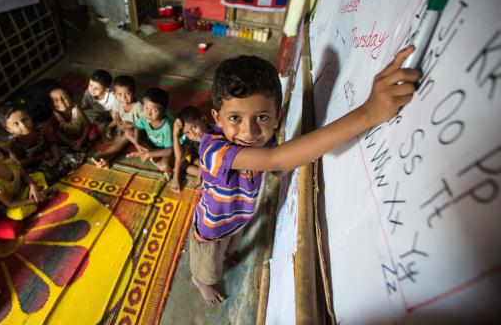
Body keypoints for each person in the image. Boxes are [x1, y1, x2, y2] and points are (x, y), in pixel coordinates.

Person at [190, 48, 419, 305]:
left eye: (262, 117)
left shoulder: (258, 138)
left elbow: (279, 165)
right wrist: (369, 112)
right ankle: (200, 281)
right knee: (209, 268)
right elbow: (277, 161)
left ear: (277, 116)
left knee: (231, 247)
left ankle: (221, 257)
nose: (250, 131)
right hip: (211, 229)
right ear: (217, 118)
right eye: (235, 118)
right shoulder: (214, 150)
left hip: (238, 217)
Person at [0, 102, 85, 185]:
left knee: (72, 156)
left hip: (50, 155)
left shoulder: (39, 127)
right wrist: (38, 158)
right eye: (16, 124)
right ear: (9, 130)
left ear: (30, 117)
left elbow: (52, 143)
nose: (23, 125)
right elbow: (16, 164)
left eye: (24, 119)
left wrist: (56, 156)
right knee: (45, 177)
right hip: (35, 166)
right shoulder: (12, 143)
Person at [91, 75, 143, 168]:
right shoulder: (117, 101)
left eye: (127, 94)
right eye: (119, 94)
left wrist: (131, 126)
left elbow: (145, 125)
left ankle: (103, 155)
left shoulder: (139, 107)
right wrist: (115, 124)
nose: (123, 97)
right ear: (114, 93)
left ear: (134, 92)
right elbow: (117, 114)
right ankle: (106, 161)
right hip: (123, 129)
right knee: (117, 141)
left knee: (123, 137)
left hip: (137, 132)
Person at [126, 87, 174, 180]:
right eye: (146, 108)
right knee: (128, 132)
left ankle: (148, 155)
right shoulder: (145, 117)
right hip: (151, 145)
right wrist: (137, 143)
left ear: (164, 111)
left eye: (154, 110)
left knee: (164, 166)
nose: (148, 113)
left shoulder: (167, 126)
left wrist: (149, 155)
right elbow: (137, 127)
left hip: (164, 150)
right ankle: (147, 153)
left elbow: (169, 151)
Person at [170, 106, 210, 193]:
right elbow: (179, 156)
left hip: (211, 161)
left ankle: (207, 178)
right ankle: (205, 175)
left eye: (194, 127)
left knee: (209, 168)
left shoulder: (211, 137)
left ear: (203, 120)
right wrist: (175, 133)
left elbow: (205, 161)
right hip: (199, 158)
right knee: (180, 162)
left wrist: (199, 180)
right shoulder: (188, 137)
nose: (193, 134)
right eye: (187, 132)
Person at [81, 69, 115, 136]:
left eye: (96, 88)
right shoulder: (87, 93)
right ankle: (103, 124)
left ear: (106, 90)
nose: (92, 89)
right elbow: (84, 106)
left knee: (118, 116)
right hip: (97, 113)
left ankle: (109, 126)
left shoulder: (113, 97)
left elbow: (117, 113)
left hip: (110, 113)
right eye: (90, 85)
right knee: (81, 114)